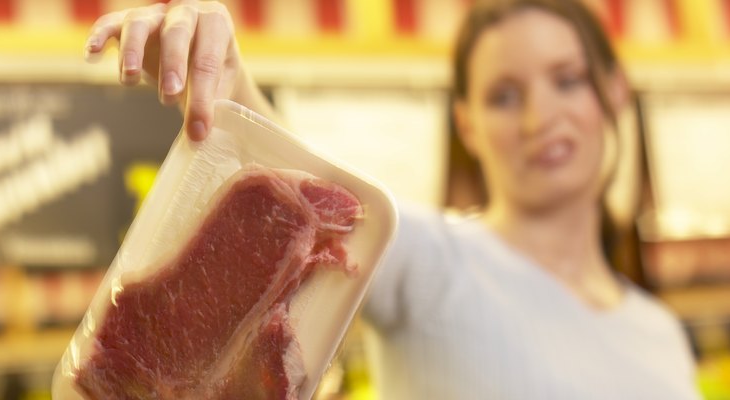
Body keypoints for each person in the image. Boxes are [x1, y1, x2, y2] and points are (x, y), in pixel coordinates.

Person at [85, 0, 702, 398]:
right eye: (505, 96)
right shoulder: (434, 260)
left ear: (615, 93)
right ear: (467, 125)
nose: (541, 117)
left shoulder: (662, 334)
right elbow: (307, 196)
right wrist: (225, 80)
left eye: (567, 80)